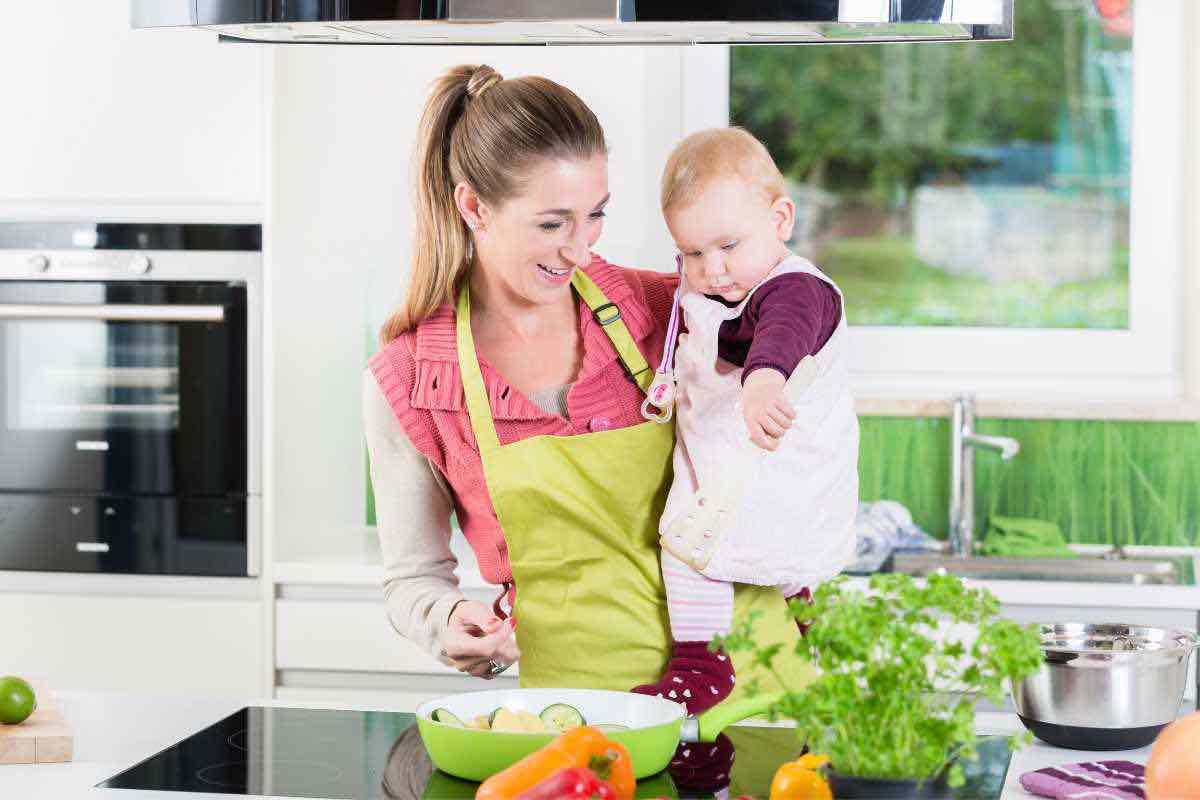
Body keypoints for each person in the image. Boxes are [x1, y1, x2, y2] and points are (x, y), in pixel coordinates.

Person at [363, 65, 811, 699]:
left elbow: (802, 307)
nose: (579, 248)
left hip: (760, 689)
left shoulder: (667, 308)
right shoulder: (410, 380)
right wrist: (446, 622)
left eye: (594, 215)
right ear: (473, 207)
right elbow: (413, 580)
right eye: (552, 224)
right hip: (587, 723)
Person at [631, 128, 859, 714]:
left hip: (782, 463)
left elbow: (783, 331)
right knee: (685, 548)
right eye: (692, 252)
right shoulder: (707, 289)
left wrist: (764, 380)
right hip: (716, 466)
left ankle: (842, 666)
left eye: (729, 246)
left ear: (780, 219)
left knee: (799, 567)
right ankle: (702, 665)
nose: (713, 269)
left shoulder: (797, 289)